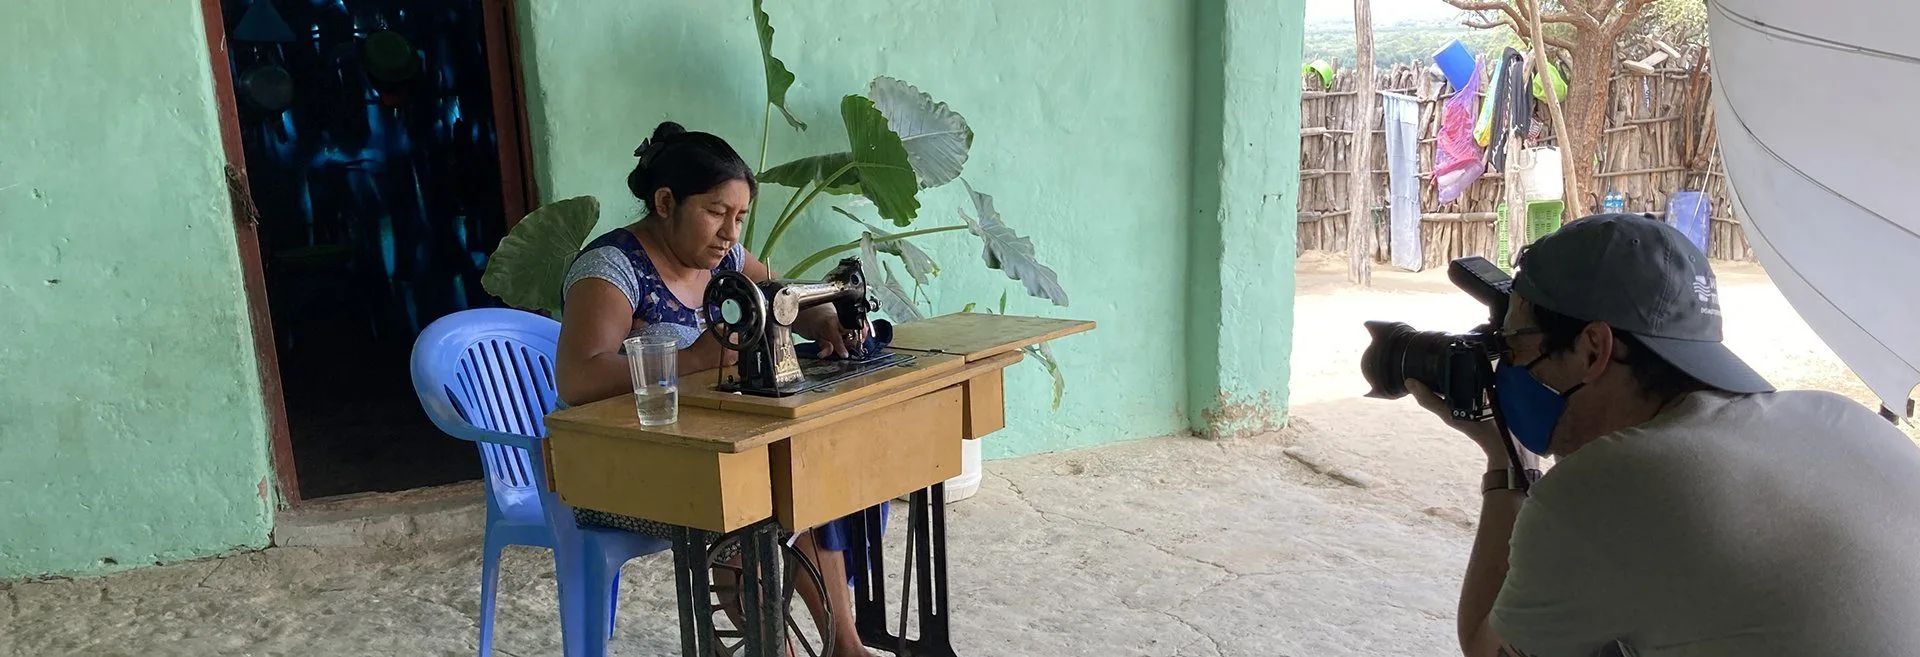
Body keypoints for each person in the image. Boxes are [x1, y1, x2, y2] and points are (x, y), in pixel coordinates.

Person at [1407, 214, 1920, 657]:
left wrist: (1506, 464)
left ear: (1592, 349)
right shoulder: (1842, 417)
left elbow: (1486, 646)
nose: (1509, 366)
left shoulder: (1599, 492)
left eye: (1516, 344)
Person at [555, 121, 872, 656]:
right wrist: (692, 360)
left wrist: (820, 320)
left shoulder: (726, 259)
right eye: (715, 212)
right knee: (742, 510)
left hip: (705, 447)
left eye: (739, 217)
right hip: (619, 468)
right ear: (665, 203)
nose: (730, 232)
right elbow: (578, 377)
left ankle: (846, 646)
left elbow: (778, 300)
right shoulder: (611, 270)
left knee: (808, 480)